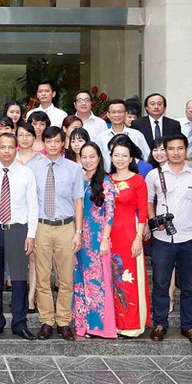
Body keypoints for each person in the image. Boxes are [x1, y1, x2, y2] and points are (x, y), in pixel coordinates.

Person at [146, 134, 192, 345]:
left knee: (189, 286)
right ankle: (160, 323)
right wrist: (154, 222)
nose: (175, 152)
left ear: (186, 150)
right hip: (162, 239)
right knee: (161, 284)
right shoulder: (155, 175)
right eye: (171, 148)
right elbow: (147, 202)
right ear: (165, 150)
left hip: (190, 238)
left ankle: (189, 326)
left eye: (179, 148)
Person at [0, 133, 38, 340]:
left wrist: (31, 235)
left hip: (18, 231)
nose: (6, 151)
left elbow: (33, 205)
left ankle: (19, 323)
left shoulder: (26, 173)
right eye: (2, 147)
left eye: (10, 147)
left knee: (19, 280)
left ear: (16, 149)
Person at [29, 126, 83, 341]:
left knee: (66, 278)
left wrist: (78, 231)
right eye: (48, 141)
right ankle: (46, 321)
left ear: (63, 144)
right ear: (44, 143)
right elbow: (31, 202)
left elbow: (78, 200)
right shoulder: (34, 167)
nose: (52, 145)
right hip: (42, 227)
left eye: (56, 141)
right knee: (42, 277)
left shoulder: (74, 168)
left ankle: (63, 321)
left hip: (65, 227)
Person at [72, 142, 117, 338]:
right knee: (79, 281)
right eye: (84, 156)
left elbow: (110, 214)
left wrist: (105, 239)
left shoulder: (106, 182)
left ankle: (99, 326)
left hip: (98, 240)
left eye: (92, 156)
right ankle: (81, 325)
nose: (88, 160)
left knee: (98, 282)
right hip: (78, 237)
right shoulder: (77, 180)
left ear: (99, 158)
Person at [107, 139, 150, 337]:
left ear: (131, 158)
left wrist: (138, 237)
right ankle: (112, 323)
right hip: (109, 235)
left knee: (128, 278)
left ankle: (132, 324)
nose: (120, 159)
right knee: (111, 278)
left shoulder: (138, 180)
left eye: (124, 155)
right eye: (116, 155)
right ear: (111, 157)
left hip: (130, 234)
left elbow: (142, 211)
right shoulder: (107, 180)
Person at [96, 98, 150, 169]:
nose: (117, 115)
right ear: (108, 115)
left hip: (133, 175)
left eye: (120, 112)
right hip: (108, 177)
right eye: (113, 112)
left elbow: (147, 157)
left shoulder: (137, 135)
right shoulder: (101, 137)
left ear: (126, 114)